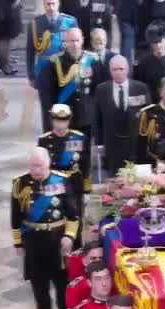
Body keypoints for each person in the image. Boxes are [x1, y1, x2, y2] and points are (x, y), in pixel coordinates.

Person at [10, 147, 79, 309]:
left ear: (48, 164)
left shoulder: (62, 181)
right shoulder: (20, 184)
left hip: (57, 240)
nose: (35, 169)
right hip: (33, 241)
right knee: (39, 287)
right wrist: (18, 242)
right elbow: (16, 216)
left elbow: (73, 215)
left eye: (39, 165)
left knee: (61, 282)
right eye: (32, 165)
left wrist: (69, 236)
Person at [93, 54, 151, 174]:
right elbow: (97, 119)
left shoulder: (141, 88)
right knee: (116, 181)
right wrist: (99, 144)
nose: (118, 72)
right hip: (112, 145)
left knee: (138, 181)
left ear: (127, 69)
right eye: (115, 69)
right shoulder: (101, 90)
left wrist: (149, 142)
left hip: (136, 144)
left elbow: (149, 116)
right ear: (110, 70)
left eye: (121, 69)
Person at [26, 0, 78, 131]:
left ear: (59, 3)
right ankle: (48, 136)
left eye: (53, 3)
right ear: (43, 4)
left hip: (65, 69)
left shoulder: (70, 21)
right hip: (44, 69)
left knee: (66, 103)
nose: (51, 7)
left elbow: (76, 45)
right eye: (48, 4)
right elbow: (30, 51)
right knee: (47, 107)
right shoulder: (35, 23)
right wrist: (31, 75)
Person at [47, 28, 99, 135]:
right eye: (71, 41)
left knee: (85, 149)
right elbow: (50, 91)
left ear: (82, 40)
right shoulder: (56, 61)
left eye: (77, 40)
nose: (75, 44)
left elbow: (97, 87)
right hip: (64, 115)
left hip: (86, 115)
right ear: (65, 42)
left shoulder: (92, 60)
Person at [38, 104, 90, 203]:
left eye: (64, 121)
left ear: (69, 121)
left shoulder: (79, 138)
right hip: (53, 181)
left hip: (74, 181)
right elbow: (40, 164)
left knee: (76, 212)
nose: (60, 124)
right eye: (57, 120)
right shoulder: (44, 140)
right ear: (52, 120)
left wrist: (86, 188)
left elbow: (85, 163)